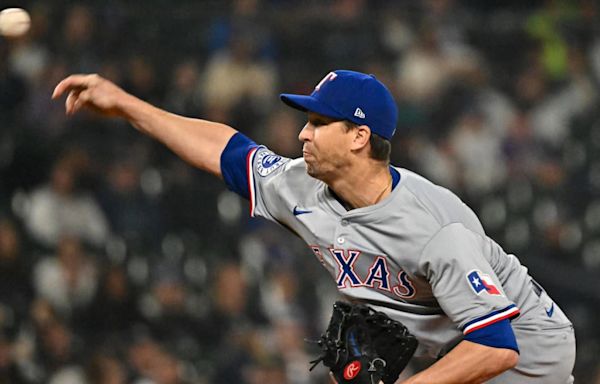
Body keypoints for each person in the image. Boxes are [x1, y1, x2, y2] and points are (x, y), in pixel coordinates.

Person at [52, 70, 576, 383]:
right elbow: (226, 150)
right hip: (453, 346)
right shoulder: (303, 186)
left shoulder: (435, 227)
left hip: (529, 361)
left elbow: (496, 345)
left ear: (358, 137)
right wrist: (124, 105)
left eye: (319, 123)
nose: (302, 133)